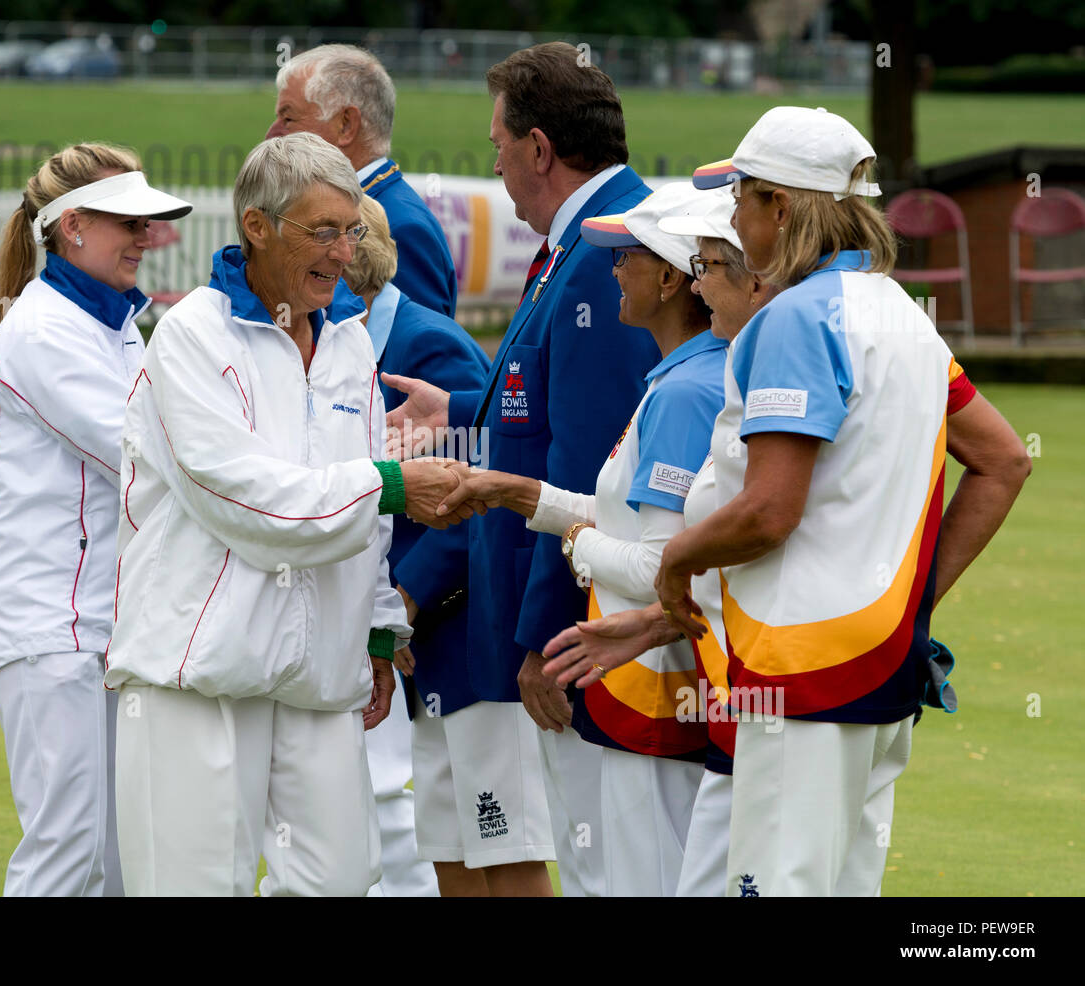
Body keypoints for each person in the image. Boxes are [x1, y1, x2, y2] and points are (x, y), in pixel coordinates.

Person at [548, 106, 1031, 897]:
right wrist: (906, 604)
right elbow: (1004, 460)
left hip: (801, 674)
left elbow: (770, 510)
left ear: (779, 205)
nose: (732, 215)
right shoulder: (899, 311)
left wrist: (674, 565)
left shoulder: (796, 315)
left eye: (741, 196)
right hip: (877, 671)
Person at [105, 132, 469, 897]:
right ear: (258, 226)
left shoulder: (347, 346)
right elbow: (242, 497)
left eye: (353, 230)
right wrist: (391, 483)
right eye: (323, 231)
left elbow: (364, 530)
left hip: (316, 672)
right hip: (198, 674)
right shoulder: (191, 338)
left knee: (339, 879)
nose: (343, 253)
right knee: (196, 885)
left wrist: (375, 629)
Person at [385, 42, 661, 897]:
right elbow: (537, 413)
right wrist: (460, 413)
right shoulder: (578, 244)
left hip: (583, 632)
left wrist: (548, 636)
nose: (495, 166)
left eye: (498, 145)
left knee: (592, 872)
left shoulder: (607, 251)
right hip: (566, 620)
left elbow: (586, 462)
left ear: (540, 148)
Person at [434, 183, 736, 895]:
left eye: (625, 257)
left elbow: (660, 564)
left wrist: (572, 542)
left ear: (670, 278)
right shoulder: (678, 379)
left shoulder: (685, 392)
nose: (611, 273)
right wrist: (512, 491)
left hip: (656, 697)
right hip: (644, 690)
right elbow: (630, 524)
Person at [0, 143, 192, 897]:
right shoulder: (41, 332)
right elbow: (142, 456)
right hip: (47, 624)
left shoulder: (113, 323)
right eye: (128, 221)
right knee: (69, 851)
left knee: (125, 854)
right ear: (70, 229)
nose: (145, 236)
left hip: (106, 620)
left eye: (148, 221)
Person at [343, 194, 491, 896]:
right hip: (369, 624)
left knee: (418, 824)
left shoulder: (432, 346)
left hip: (428, 631)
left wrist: (402, 599)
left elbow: (477, 495)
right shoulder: (331, 341)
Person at [266, 44, 460, 317]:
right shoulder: (372, 209)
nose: (272, 136)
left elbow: (418, 350)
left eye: (288, 119)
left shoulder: (399, 227)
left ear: (346, 125)